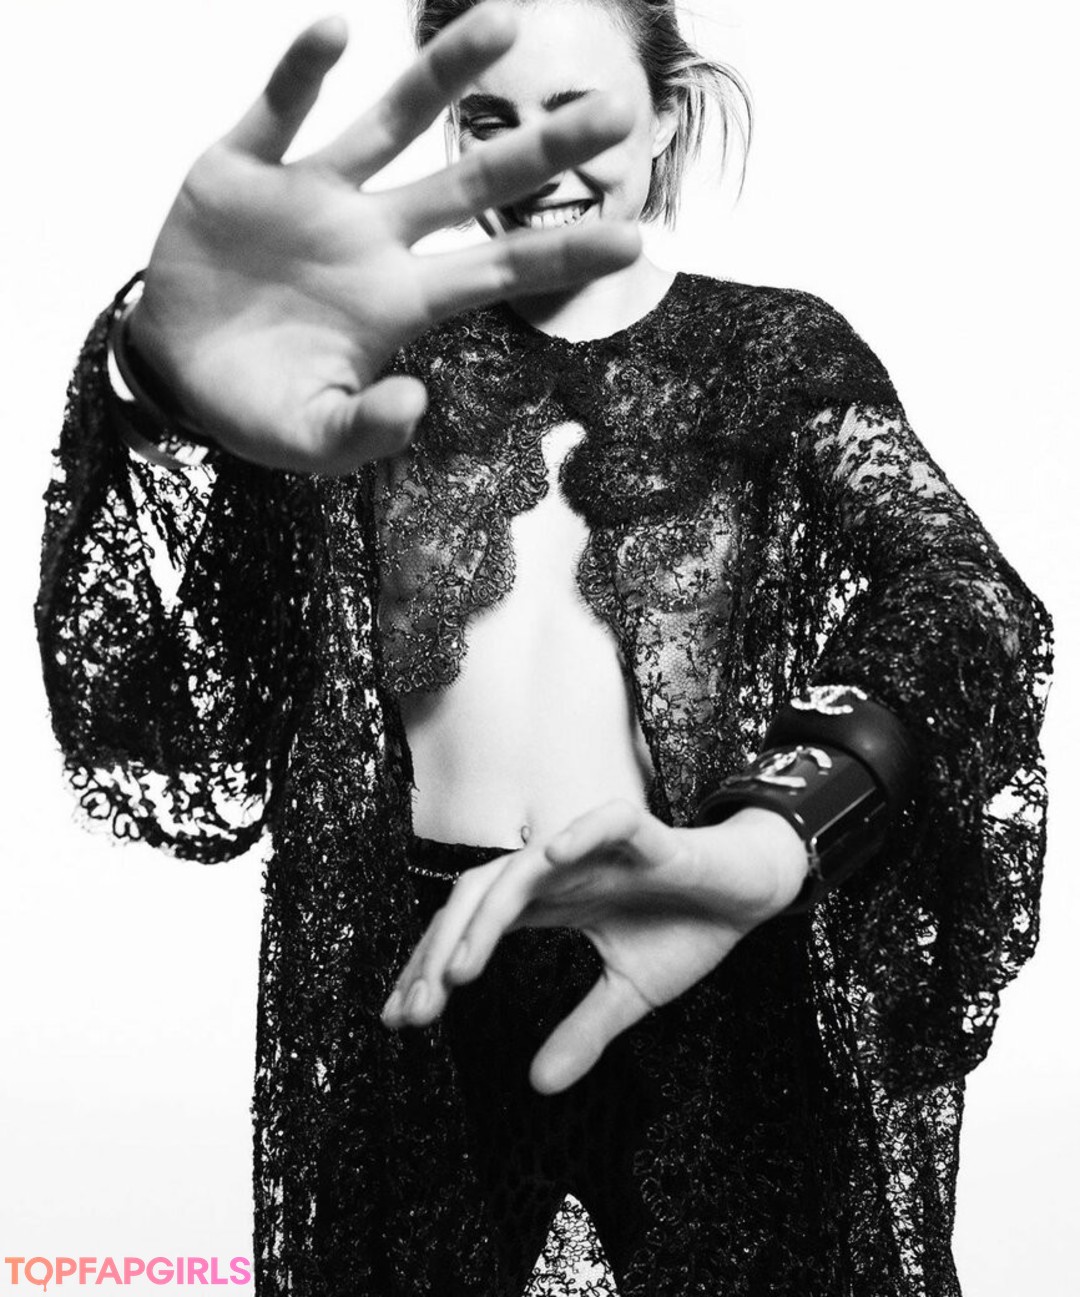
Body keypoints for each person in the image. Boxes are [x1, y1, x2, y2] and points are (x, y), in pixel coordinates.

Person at [35, 1, 1052, 1294]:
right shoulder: (362, 368)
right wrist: (153, 387)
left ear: (668, 111)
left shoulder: (776, 353)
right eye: (490, 120)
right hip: (411, 982)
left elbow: (967, 599)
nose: (538, 159)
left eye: (578, 113)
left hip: (698, 960)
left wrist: (784, 824)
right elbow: (190, 700)